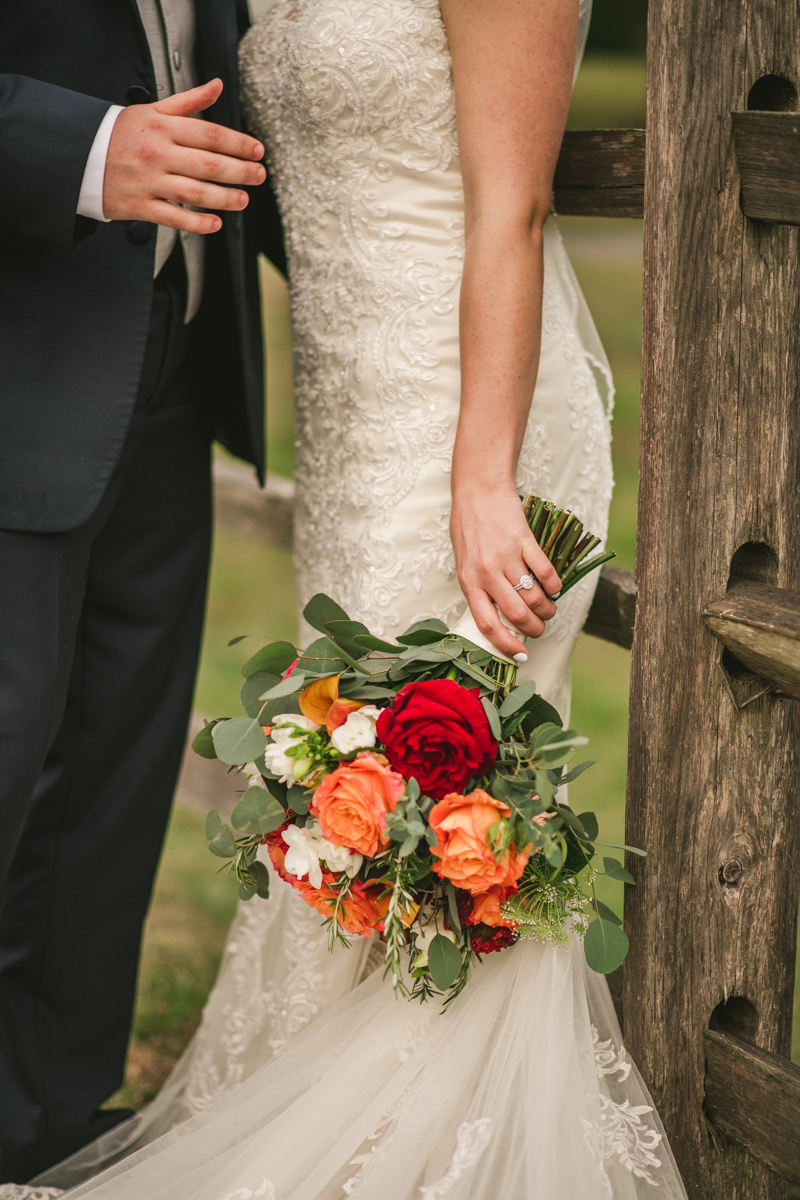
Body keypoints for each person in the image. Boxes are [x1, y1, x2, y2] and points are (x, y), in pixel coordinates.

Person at [2, 0, 688, 1196]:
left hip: (459, 427)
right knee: (351, 802)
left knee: (438, 812)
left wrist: (483, 478)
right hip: (361, 427)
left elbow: (510, 207)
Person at [0, 0, 285, 1183]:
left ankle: (47, 1126)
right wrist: (73, 151)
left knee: (111, 785)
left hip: (171, 364)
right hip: (17, 351)